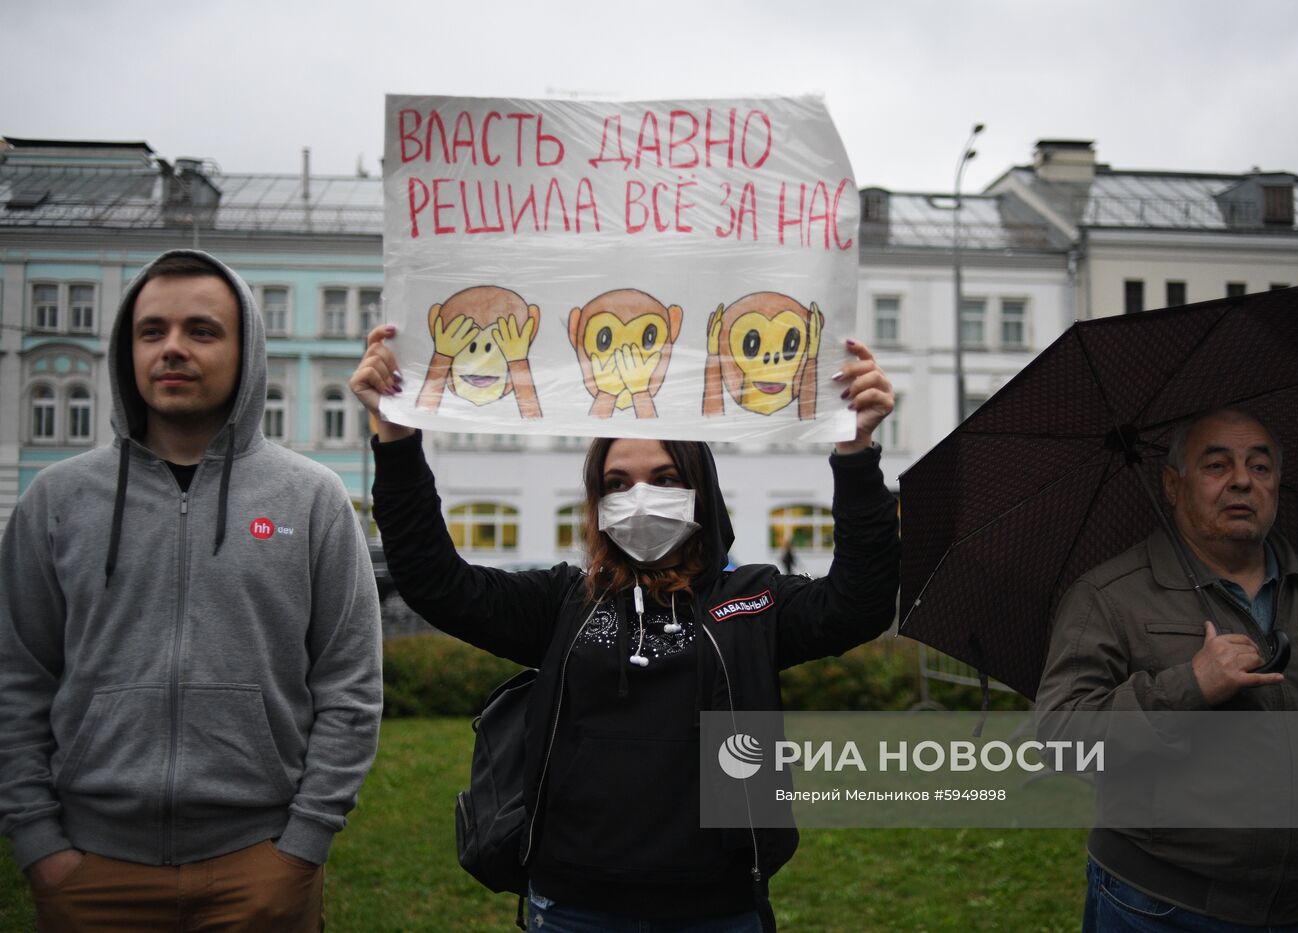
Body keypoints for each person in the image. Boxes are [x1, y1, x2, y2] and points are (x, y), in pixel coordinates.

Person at [351, 324, 899, 931]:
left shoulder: (751, 600)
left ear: (700, 490)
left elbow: (860, 603)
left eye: (664, 479)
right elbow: (436, 582)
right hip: (572, 907)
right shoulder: (565, 601)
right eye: (618, 484)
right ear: (597, 501)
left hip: (716, 909)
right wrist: (396, 439)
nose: (640, 498)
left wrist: (856, 453)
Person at [0, 250, 383, 931]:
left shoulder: (313, 498)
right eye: (152, 331)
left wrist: (304, 843)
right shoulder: (56, 501)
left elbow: (349, 682)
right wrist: (38, 842)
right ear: (127, 350)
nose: (172, 347)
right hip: (90, 868)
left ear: (247, 351)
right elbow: (16, 678)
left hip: (259, 864)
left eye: (201, 331)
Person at [1036, 409, 1298, 931]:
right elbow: (1060, 739)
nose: (1243, 481)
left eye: (1260, 467)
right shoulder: (1108, 597)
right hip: (1162, 909)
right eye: (1217, 465)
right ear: (1172, 485)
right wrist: (1190, 686)